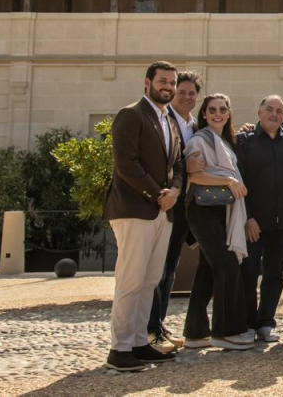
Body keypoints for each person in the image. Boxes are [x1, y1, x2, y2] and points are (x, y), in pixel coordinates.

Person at [104, 61, 184, 372]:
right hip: (135, 210)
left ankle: (139, 342)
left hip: (163, 210)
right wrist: (157, 194)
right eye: (162, 80)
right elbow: (126, 163)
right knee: (131, 279)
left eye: (171, 82)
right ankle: (119, 348)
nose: (168, 86)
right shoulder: (131, 115)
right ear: (147, 82)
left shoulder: (170, 120)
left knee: (150, 280)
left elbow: (177, 165)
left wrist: (174, 192)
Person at [182, 93, 253, 351]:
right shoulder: (200, 140)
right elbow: (196, 175)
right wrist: (228, 181)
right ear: (204, 113)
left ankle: (195, 332)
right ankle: (226, 331)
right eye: (212, 109)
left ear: (229, 112)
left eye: (222, 109)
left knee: (207, 270)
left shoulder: (224, 141)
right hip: (203, 211)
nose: (217, 113)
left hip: (221, 210)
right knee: (227, 268)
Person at [148, 70, 202, 349]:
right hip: (164, 205)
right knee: (156, 269)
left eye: (192, 93)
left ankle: (159, 323)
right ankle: (149, 328)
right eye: (181, 92)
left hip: (186, 208)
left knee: (169, 269)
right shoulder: (162, 119)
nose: (186, 97)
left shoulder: (195, 124)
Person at [238, 95, 283, 343]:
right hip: (254, 222)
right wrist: (249, 217)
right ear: (259, 112)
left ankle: (266, 322)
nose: (275, 114)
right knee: (249, 273)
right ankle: (248, 324)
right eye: (270, 109)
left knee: (274, 274)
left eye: (280, 111)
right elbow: (239, 182)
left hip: (282, 221)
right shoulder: (245, 141)